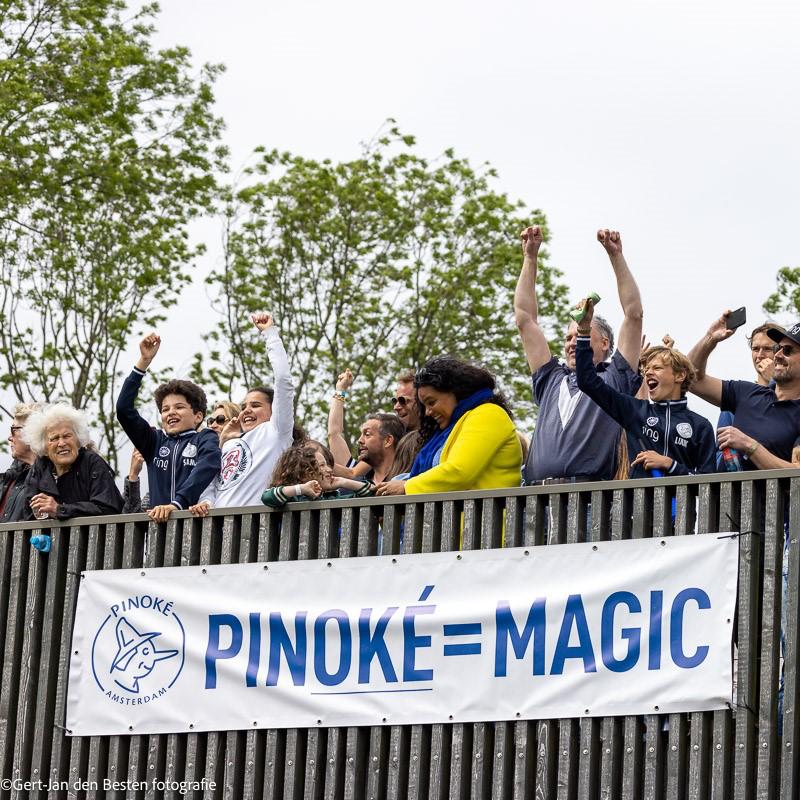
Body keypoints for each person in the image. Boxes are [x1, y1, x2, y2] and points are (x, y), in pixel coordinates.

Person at [515, 226, 643, 484]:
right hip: (539, 502)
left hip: (589, 501)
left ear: (605, 343)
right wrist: (530, 258)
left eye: (581, 335)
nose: (572, 343)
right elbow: (525, 320)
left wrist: (615, 256)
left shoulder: (616, 376)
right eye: (568, 338)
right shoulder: (550, 377)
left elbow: (634, 315)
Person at [575, 299, 716, 478]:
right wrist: (584, 330)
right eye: (646, 369)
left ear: (680, 376)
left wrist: (671, 465)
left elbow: (710, 483)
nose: (648, 373)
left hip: (680, 507)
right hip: (637, 506)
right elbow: (587, 381)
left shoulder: (700, 426)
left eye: (656, 368)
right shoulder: (635, 411)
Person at [191, 313, 294, 514]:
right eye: (244, 405)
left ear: (274, 410)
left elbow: (283, 381)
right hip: (218, 529)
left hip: (255, 528)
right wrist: (206, 502)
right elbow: (213, 484)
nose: (247, 409)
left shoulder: (276, 431)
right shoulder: (230, 441)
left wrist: (270, 334)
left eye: (255, 405)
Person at [375, 356, 521, 496]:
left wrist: (407, 487)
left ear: (455, 391)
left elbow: (459, 472)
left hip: (484, 520)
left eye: (431, 402)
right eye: (424, 406)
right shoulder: (452, 427)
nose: (427, 412)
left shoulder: (489, 414)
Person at [116, 332, 221, 522]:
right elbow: (124, 409)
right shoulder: (154, 441)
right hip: (160, 534)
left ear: (198, 416)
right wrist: (143, 362)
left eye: (179, 407)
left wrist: (177, 504)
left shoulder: (205, 438)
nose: (171, 413)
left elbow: (206, 467)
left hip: (197, 530)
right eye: (165, 409)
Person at [688, 313, 800, 469]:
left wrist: (750, 446)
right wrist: (710, 339)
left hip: (772, 494)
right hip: (727, 494)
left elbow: (797, 471)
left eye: (787, 350)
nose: (778, 354)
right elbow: (692, 380)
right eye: (778, 348)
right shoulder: (746, 391)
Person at [22, 404, 123, 520]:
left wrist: (60, 509)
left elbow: (107, 507)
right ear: (44, 447)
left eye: (67, 436)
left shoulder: (92, 463)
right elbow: (29, 515)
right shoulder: (39, 468)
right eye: (54, 438)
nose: (61, 443)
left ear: (78, 440)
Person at [715, 322, 783, 469]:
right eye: (755, 349)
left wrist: (774, 381)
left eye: (767, 349)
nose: (759, 355)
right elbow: (720, 455)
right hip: (742, 487)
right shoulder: (737, 398)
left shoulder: (792, 397)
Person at [327, 370, 404, 482]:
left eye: (367, 434)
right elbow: (334, 434)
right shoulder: (356, 481)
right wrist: (340, 390)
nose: (359, 440)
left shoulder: (407, 480)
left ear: (388, 441)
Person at [261, 443, 374, 508]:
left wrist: (343, 482)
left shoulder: (332, 498)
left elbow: (372, 494)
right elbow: (267, 496)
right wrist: (301, 489)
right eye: (322, 465)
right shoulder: (292, 498)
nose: (329, 470)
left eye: (328, 465)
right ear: (302, 474)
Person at [0, 402, 45, 523]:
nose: (9, 437)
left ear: (31, 433)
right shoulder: (10, 477)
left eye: (13, 430)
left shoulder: (54, 474)